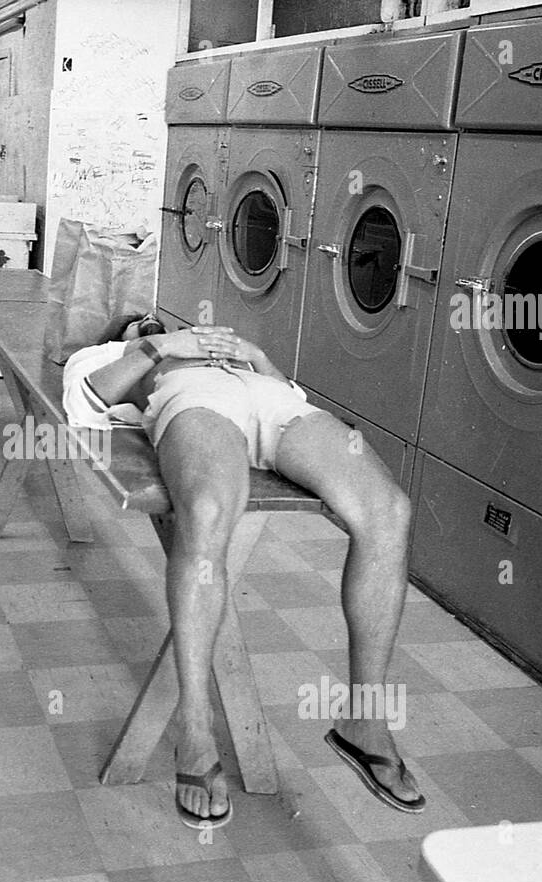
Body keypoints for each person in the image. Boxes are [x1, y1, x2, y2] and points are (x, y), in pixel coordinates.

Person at [62, 314, 426, 827]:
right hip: (196, 403)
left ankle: (364, 720)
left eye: (153, 320)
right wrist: (159, 345)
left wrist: (258, 357)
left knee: (390, 511)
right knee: (208, 513)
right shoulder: (123, 354)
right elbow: (85, 401)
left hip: (273, 403)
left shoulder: (233, 354)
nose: (148, 320)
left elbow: (291, 395)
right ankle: (194, 728)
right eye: (137, 324)